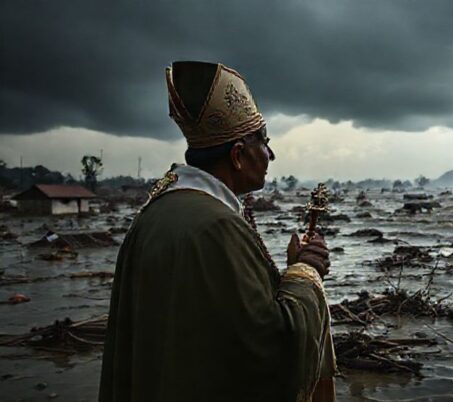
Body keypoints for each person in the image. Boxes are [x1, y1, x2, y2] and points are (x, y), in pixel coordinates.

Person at [100, 62, 336, 402]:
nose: (271, 154)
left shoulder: (159, 210)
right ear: (238, 155)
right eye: (264, 143)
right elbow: (269, 344)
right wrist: (304, 274)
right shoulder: (218, 227)